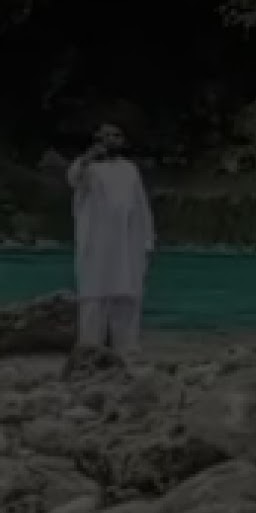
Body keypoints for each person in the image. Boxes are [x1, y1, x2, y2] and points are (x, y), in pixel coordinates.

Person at [67, 123, 154, 357]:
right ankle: (88, 350)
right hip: (97, 243)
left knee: (126, 295)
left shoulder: (130, 170)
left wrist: (147, 241)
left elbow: (141, 208)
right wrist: (88, 157)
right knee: (94, 296)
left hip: (128, 244)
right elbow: (73, 178)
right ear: (97, 140)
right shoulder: (89, 169)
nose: (111, 139)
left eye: (116, 135)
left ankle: (127, 350)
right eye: (105, 136)